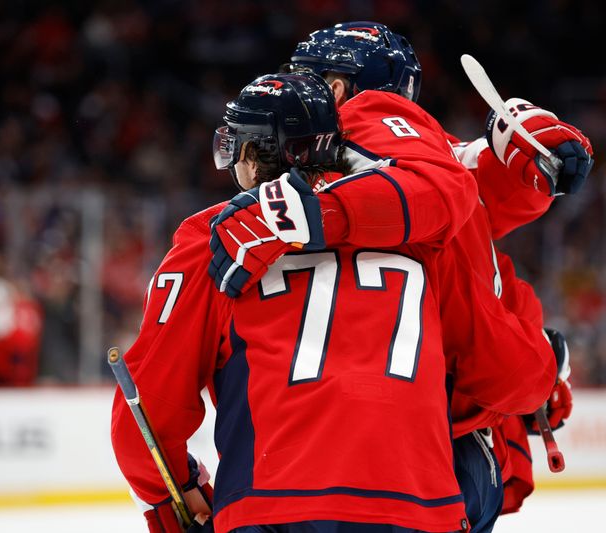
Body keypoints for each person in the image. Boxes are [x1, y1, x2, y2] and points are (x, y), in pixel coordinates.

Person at [112, 71, 556, 533]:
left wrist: (170, 495)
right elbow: (514, 376)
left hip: (272, 504)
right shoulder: (425, 240)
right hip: (421, 508)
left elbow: (147, 410)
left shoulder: (214, 238)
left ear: (247, 153)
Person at [210, 21, 589, 532]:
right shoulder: (428, 183)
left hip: (310, 468)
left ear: (340, 89)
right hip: (432, 464)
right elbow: (467, 182)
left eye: (306, 78)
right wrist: (542, 361)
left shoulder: (365, 137)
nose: (294, 94)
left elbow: (443, 184)